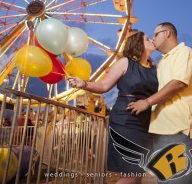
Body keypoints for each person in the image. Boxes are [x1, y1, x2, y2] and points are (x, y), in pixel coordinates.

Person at [68, 31, 158, 184]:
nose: (151, 40)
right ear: (138, 44)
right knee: (131, 173)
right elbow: (104, 85)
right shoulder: (125, 62)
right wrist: (84, 84)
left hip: (147, 122)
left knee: (138, 173)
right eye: (147, 39)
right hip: (127, 120)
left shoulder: (154, 68)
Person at [127, 22, 192, 184]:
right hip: (161, 130)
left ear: (167, 33)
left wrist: (146, 102)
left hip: (178, 129)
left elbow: (178, 83)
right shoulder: (160, 63)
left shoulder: (184, 52)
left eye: (155, 35)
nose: (153, 39)